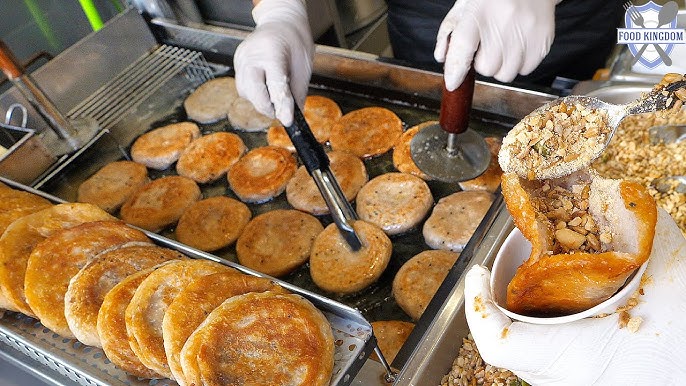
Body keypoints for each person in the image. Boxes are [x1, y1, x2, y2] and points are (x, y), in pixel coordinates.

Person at [234, 0, 624, 127]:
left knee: (562, 103)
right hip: (425, 11)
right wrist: (278, 10)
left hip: (561, 17)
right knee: (427, 84)